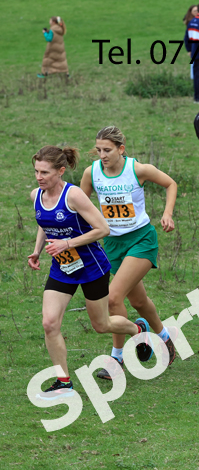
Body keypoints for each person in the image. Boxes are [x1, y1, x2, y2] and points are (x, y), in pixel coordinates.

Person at [28, 146, 149, 399]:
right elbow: (44, 223)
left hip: (91, 266)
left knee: (101, 325)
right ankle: (64, 383)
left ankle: (138, 331)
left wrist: (68, 243)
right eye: (37, 171)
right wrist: (37, 250)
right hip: (62, 267)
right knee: (49, 323)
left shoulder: (73, 196)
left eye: (45, 172)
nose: (39, 177)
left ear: (61, 171)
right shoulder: (36, 195)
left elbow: (102, 229)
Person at [80, 126, 179, 380]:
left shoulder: (137, 169)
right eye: (99, 150)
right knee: (137, 301)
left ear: (121, 149)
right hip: (112, 245)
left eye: (108, 150)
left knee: (113, 298)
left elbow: (170, 183)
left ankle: (117, 359)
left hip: (141, 240)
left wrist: (167, 213)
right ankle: (164, 337)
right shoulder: (91, 173)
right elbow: (80, 205)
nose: (102, 155)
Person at [182, 5, 197, 81]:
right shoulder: (192, 22)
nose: (196, 12)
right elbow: (186, 37)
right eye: (195, 11)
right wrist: (189, 50)